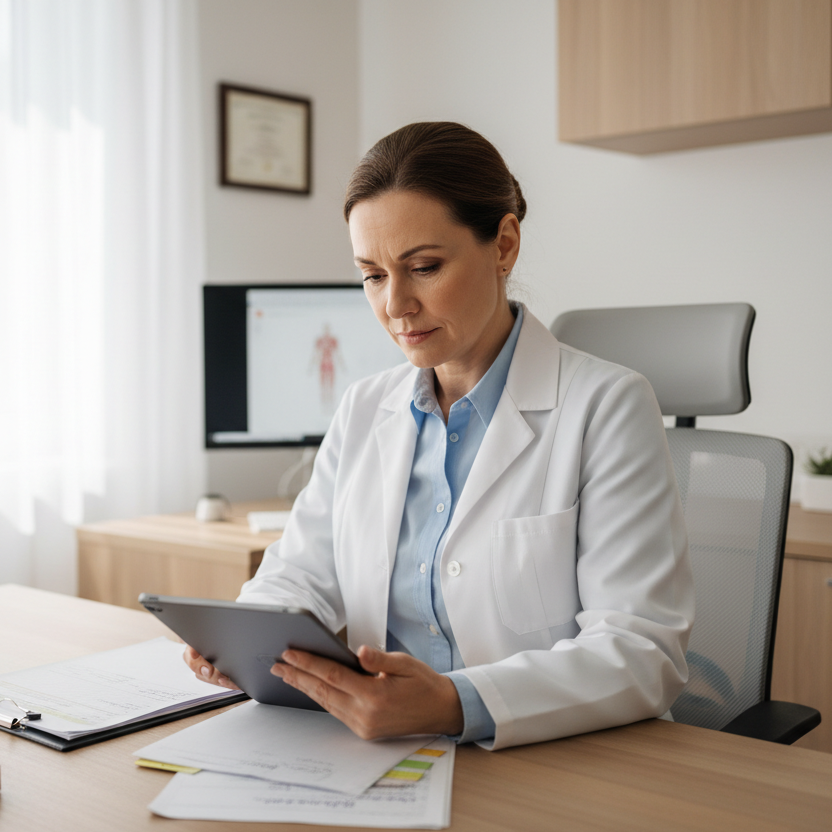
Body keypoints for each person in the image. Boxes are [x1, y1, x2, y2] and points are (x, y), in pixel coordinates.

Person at [185, 121, 694, 750]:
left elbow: (642, 650)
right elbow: (300, 576)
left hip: (551, 759)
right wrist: (244, 636)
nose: (395, 305)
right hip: (385, 757)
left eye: (422, 267)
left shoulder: (606, 406)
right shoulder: (365, 407)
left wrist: (457, 702)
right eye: (372, 275)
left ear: (504, 244)